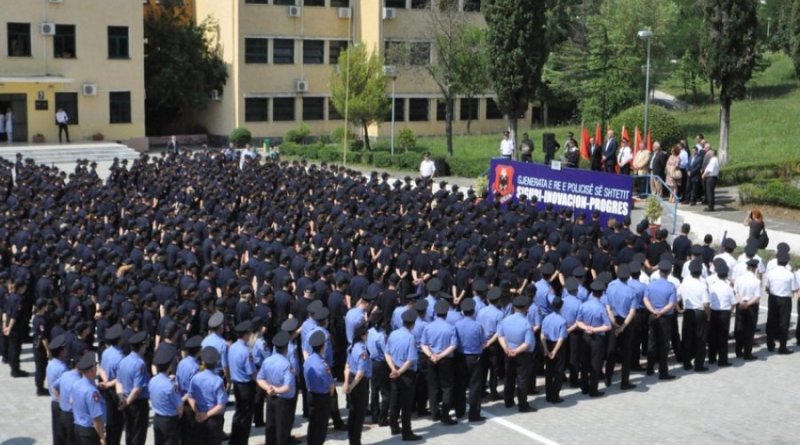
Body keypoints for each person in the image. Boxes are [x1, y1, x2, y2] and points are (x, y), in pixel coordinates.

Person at [385, 309, 421, 441]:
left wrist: (393, 369)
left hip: (394, 371)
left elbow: (387, 353)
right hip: (406, 374)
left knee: (394, 400)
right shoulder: (410, 337)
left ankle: (394, 426)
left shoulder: (393, 334)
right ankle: (407, 432)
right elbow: (411, 359)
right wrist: (400, 372)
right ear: (413, 324)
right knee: (406, 404)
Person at [421, 299, 458, 425]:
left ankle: (434, 413)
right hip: (446, 360)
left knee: (433, 386)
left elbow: (423, 344)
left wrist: (432, 355)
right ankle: (445, 415)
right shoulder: (450, 327)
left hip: (431, 359)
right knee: (447, 387)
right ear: (446, 313)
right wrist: (440, 355)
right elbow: (453, 345)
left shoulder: (428, 327)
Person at [497, 295, 536, 412]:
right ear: (526, 308)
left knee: (509, 377)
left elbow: (500, 336)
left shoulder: (505, 320)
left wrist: (506, 348)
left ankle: (508, 401)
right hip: (523, 355)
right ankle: (522, 405)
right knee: (522, 380)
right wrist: (517, 351)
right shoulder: (526, 323)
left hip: (508, 353)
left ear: (513, 307)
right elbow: (527, 343)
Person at [257, 331, 295, 445]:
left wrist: (268, 388)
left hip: (270, 398)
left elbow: (260, 379)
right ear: (286, 348)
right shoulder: (287, 364)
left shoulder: (267, 361)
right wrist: (276, 390)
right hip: (283, 400)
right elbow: (287, 387)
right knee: (282, 430)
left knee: (270, 427)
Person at [603, 265, 637, 390]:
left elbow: (607, 306)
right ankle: (624, 381)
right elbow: (632, 312)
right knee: (626, 352)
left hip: (613, 320)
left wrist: (613, 321)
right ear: (628, 276)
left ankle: (608, 377)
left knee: (611, 350)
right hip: (626, 322)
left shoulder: (610, 286)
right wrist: (623, 326)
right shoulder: (631, 291)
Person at [576, 280, 611, 397]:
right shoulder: (601, 308)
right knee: (596, 364)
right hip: (597, 338)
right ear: (601, 294)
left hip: (585, 336)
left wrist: (587, 328)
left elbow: (578, 322)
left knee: (585, 363)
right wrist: (594, 329)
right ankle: (593, 390)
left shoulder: (583, 305)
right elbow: (608, 326)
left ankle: (584, 387)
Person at [452, 297, 485, 421]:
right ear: (473, 311)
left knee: (460, 384)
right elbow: (483, 342)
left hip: (460, 356)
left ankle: (459, 411)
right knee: (474, 385)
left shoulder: (456, 325)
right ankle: (474, 413)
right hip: (474, 357)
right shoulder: (478, 326)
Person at [644, 260, 677, 380]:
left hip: (652, 315)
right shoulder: (671, 286)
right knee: (664, 344)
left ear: (659, 271)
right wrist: (661, 312)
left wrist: (653, 311)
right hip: (665, 318)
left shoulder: (651, 284)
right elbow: (671, 304)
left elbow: (645, 299)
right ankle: (663, 372)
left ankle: (649, 368)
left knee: (652, 342)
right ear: (669, 271)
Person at [188, 347, 228, 445]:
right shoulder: (218, 381)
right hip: (214, 419)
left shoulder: (195, 378)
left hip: (199, 418)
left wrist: (197, 412)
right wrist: (206, 415)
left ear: (203, 363)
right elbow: (221, 405)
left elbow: (190, 396)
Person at [116, 331, 150, 445]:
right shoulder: (140, 364)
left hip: (126, 400)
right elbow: (138, 388)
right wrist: (127, 402)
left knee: (129, 433)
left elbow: (118, 381)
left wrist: (122, 398)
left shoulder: (123, 361)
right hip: (137, 404)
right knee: (138, 436)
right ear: (142, 346)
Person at [677, 259, 710, 372]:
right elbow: (706, 304)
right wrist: (708, 315)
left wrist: (679, 309)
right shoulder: (702, 285)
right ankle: (699, 364)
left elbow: (676, 297)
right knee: (701, 339)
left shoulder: (684, 283)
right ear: (700, 272)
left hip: (688, 312)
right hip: (700, 312)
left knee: (687, 338)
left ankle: (686, 363)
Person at [764, 251, 798, 354]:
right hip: (785, 299)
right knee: (784, 322)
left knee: (771, 320)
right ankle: (782, 347)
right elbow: (794, 288)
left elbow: (767, 286)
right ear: (787, 262)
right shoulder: (790, 274)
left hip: (773, 297)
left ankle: (770, 345)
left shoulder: (771, 272)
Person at [229, 321, 257, 445]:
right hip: (246, 386)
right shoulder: (246, 351)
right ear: (246, 334)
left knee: (238, 414)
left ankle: (234, 440)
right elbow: (252, 373)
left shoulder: (232, 347)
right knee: (246, 417)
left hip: (236, 384)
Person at [304, 330, 334, 445]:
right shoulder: (323, 364)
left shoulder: (308, 361)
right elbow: (330, 385)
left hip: (311, 394)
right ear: (323, 346)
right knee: (321, 427)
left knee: (313, 424)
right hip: (322, 397)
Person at [344, 324, 372, 445]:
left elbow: (347, 366)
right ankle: (356, 442)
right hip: (359, 384)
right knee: (359, 415)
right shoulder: (362, 350)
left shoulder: (351, 347)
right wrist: (351, 387)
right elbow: (360, 374)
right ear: (362, 335)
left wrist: (346, 383)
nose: (367, 335)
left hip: (351, 379)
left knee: (352, 413)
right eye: (366, 333)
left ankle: (352, 440)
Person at [148, 346, 182, 445]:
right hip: (169, 421)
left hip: (157, 418)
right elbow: (179, 407)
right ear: (169, 366)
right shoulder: (171, 386)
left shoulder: (152, 380)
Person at [98, 324, 125, 445]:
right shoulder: (121, 357)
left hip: (106, 388)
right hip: (115, 390)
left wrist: (105, 381)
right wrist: (109, 384)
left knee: (109, 420)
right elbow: (120, 378)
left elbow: (101, 369)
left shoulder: (106, 352)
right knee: (117, 424)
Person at [72, 352, 106, 445]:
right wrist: (102, 437)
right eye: (96, 365)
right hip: (89, 432)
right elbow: (96, 418)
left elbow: (72, 401)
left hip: (77, 427)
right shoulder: (91, 392)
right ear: (92, 369)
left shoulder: (76, 384)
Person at [707, 260, 736, 367]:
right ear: (726, 275)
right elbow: (733, 303)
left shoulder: (712, 286)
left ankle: (712, 357)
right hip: (725, 313)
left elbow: (709, 301)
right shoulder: (728, 288)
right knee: (723, 337)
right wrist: (730, 311)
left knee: (713, 335)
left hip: (714, 312)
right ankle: (722, 360)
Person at [540, 296, 567, 403]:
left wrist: (546, 349)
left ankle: (548, 395)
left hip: (548, 344)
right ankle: (555, 396)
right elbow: (561, 339)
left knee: (549, 372)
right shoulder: (562, 321)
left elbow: (542, 336)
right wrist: (554, 351)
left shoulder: (546, 318)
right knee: (558, 372)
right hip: (558, 347)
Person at [734, 259, 761, 360]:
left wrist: (741, 302)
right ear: (755, 268)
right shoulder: (756, 281)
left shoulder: (739, 279)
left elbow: (736, 292)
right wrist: (747, 304)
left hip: (740, 304)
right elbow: (757, 296)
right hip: (751, 306)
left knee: (739, 328)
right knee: (749, 330)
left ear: (747, 268)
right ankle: (747, 353)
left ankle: (738, 351)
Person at [47, 335, 69, 445]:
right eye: (64, 348)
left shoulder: (50, 364)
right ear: (61, 352)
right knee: (65, 435)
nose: (66, 350)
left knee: (57, 434)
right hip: (61, 403)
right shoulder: (62, 369)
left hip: (54, 402)